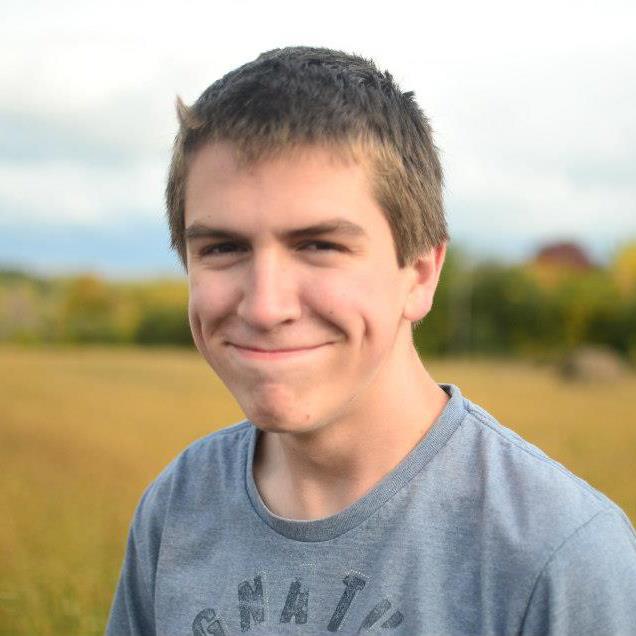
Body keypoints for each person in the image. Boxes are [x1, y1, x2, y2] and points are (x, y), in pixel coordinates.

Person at [107, 47, 636, 635]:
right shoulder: (178, 506)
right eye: (223, 248)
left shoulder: (561, 557)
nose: (264, 305)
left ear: (420, 274)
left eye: (320, 246)